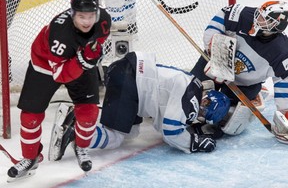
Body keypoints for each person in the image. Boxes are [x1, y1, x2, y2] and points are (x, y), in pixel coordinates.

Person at [7, 0, 111, 181]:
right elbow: (61, 75)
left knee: (89, 113)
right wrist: (84, 59)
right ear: (73, 14)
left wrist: (90, 54)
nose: (87, 21)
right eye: (81, 16)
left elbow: (100, 40)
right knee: (30, 117)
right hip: (46, 65)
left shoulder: (103, 20)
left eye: (90, 16)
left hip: (79, 62)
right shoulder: (59, 34)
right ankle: (30, 158)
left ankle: (80, 146)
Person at [49, 51, 230, 161]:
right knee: (115, 138)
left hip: (129, 76)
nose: (201, 109)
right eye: (205, 107)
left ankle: (80, 117)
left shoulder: (193, 85)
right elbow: (170, 131)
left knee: (131, 132)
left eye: (204, 111)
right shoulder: (191, 96)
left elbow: (162, 125)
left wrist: (191, 131)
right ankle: (74, 131)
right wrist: (193, 143)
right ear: (206, 100)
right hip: (131, 80)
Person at [190, 1, 288, 137]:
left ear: (276, 26)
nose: (257, 19)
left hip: (245, 84)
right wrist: (216, 53)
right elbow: (222, 16)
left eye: (263, 19)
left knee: (224, 120)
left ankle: (256, 92)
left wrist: (285, 111)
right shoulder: (243, 14)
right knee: (189, 91)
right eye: (259, 15)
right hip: (216, 61)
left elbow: (284, 80)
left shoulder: (282, 51)